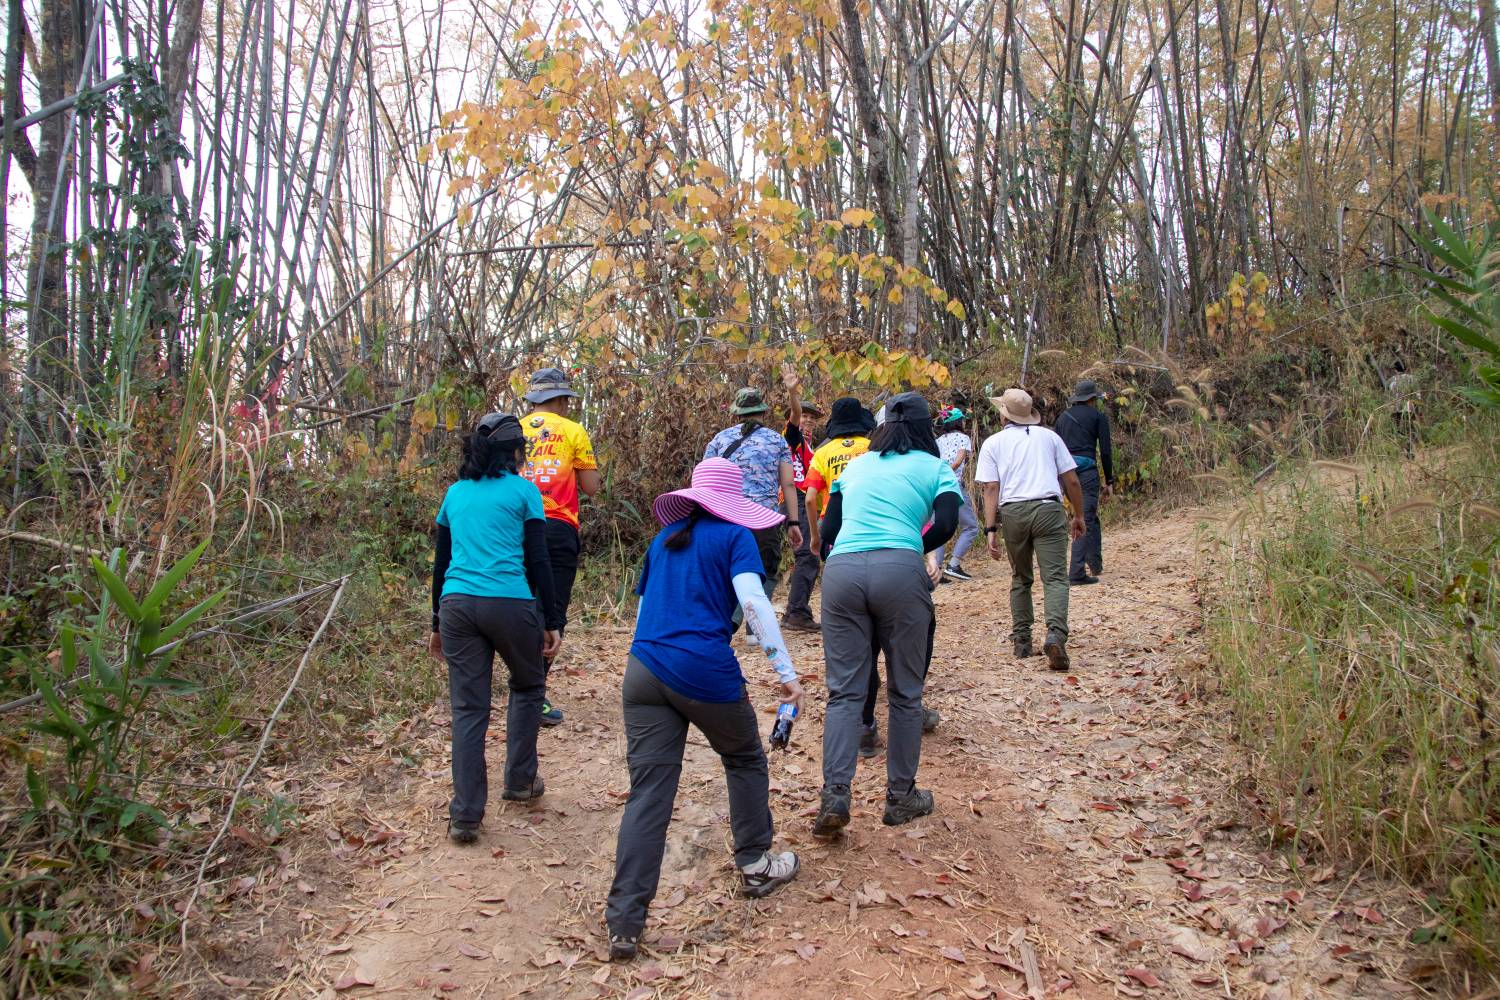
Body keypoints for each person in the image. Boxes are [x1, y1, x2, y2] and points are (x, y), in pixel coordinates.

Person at [606, 458, 804, 961]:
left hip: (642, 669)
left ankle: (624, 921)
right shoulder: (736, 538)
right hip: (703, 669)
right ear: (733, 503)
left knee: (649, 792)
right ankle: (755, 863)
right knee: (744, 757)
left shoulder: (663, 539)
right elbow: (754, 605)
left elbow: (647, 609)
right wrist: (785, 672)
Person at [812, 393, 961, 836]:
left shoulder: (857, 467)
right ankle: (900, 796)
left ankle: (835, 793)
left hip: (842, 571)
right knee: (905, 693)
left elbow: (829, 529)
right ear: (925, 428)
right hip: (899, 569)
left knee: (844, 692)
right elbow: (947, 523)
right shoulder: (935, 467)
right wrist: (912, 544)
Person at [429, 413, 565, 844]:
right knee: (528, 684)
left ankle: (466, 815)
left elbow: (441, 564)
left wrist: (436, 622)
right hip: (509, 603)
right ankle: (520, 780)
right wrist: (551, 620)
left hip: (456, 606)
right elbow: (538, 559)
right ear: (515, 452)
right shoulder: (524, 491)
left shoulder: (455, 493)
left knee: (468, 709)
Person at [976, 389, 1086, 671]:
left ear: (1004, 415)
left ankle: (1022, 640)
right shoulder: (1050, 438)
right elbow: (1072, 480)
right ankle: (1055, 634)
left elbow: (991, 487)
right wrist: (1079, 514)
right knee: (1055, 577)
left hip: (1013, 512)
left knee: (1021, 578)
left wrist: (990, 529)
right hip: (1048, 509)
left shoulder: (992, 443)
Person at [520, 367, 600, 727]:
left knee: (520, 604)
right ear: (562, 400)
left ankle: (522, 686)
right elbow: (591, 487)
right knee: (551, 610)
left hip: (513, 527)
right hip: (557, 527)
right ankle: (533, 693)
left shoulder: (514, 429)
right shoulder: (573, 431)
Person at [703, 387, 804, 613]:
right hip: (763, 519)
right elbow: (788, 484)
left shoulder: (720, 439)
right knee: (766, 571)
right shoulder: (777, 440)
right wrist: (793, 522)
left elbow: (705, 479)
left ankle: (727, 620)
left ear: (737, 412)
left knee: (727, 570)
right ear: (763, 411)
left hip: (725, 517)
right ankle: (752, 623)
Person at [1054, 379, 1113, 585]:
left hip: (1066, 474)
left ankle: (1095, 563)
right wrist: (1109, 480)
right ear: (1092, 398)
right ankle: (1076, 572)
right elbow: (1105, 451)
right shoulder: (1098, 417)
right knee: (1084, 517)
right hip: (1087, 474)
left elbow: (1055, 448)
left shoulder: (1062, 418)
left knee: (1089, 515)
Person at [779, 364, 825, 633]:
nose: (807, 420)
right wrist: (793, 393)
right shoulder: (791, 438)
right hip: (792, 496)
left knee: (807, 554)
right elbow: (794, 415)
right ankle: (796, 612)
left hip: (801, 498)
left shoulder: (810, 448)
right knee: (808, 553)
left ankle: (795, 611)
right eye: (805, 416)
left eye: (812, 417)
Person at [935, 406, 980, 582]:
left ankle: (936, 570)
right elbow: (959, 460)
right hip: (954, 485)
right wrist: (950, 471)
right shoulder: (963, 438)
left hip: (936, 486)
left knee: (939, 527)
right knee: (971, 526)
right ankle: (953, 564)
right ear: (958, 422)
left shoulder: (938, 440)